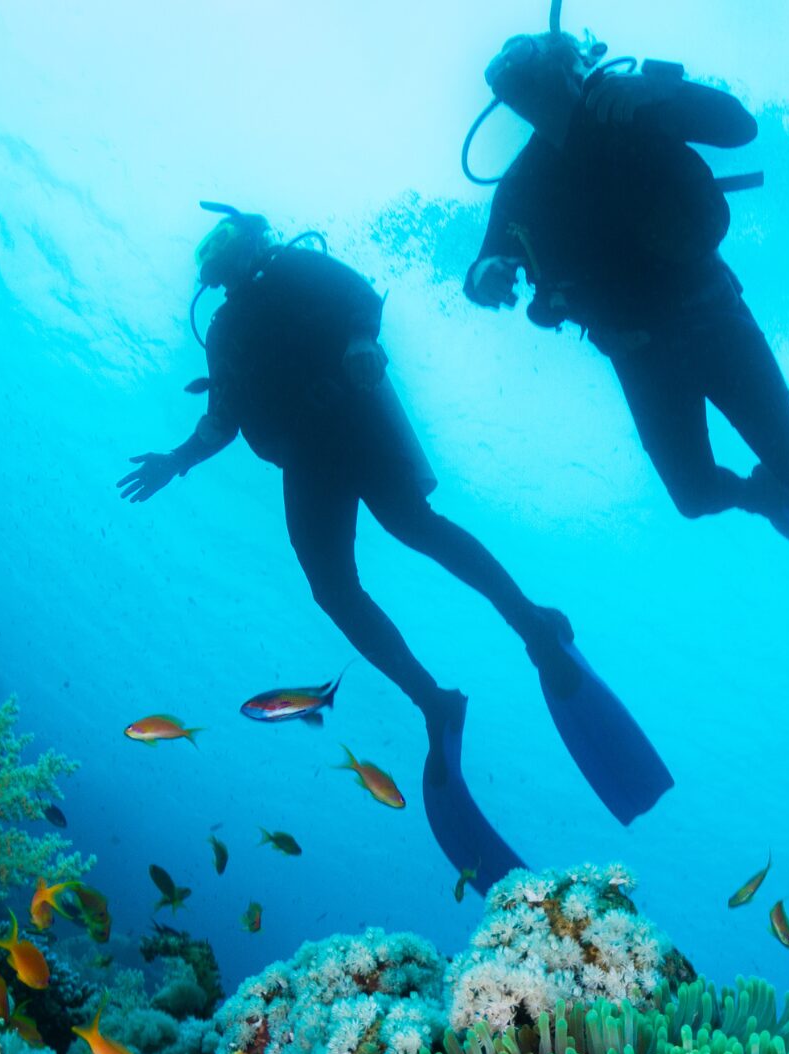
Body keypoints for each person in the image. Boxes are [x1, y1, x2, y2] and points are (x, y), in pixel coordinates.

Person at [120, 205, 670, 889]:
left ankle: (530, 624)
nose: (215, 254)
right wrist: (177, 459)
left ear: (248, 235)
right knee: (332, 588)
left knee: (416, 527)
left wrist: (357, 342)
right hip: (306, 460)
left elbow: (361, 299)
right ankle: (433, 701)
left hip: (353, 416)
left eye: (222, 237)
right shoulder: (225, 328)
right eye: (208, 248)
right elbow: (223, 419)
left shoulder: (294, 263)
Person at [464, 31, 789, 734]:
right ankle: (765, 496)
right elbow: (488, 258)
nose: (537, 103)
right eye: (521, 97)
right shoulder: (522, 186)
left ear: (571, 71)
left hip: (714, 322)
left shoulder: (634, 108)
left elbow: (740, 126)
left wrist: (658, 89)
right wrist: (486, 277)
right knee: (694, 496)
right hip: (640, 356)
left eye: (540, 85)